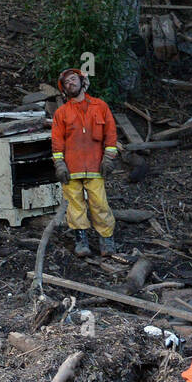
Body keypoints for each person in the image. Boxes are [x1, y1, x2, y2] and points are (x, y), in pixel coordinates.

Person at [50, 67, 119, 257]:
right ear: (64, 89)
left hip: (96, 166)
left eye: (73, 79)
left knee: (100, 204)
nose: (71, 83)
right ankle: (81, 241)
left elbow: (111, 135)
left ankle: (106, 240)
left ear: (82, 81)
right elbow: (57, 141)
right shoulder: (61, 113)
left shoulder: (100, 107)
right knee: (75, 206)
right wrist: (60, 164)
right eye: (67, 83)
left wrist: (108, 158)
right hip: (71, 169)